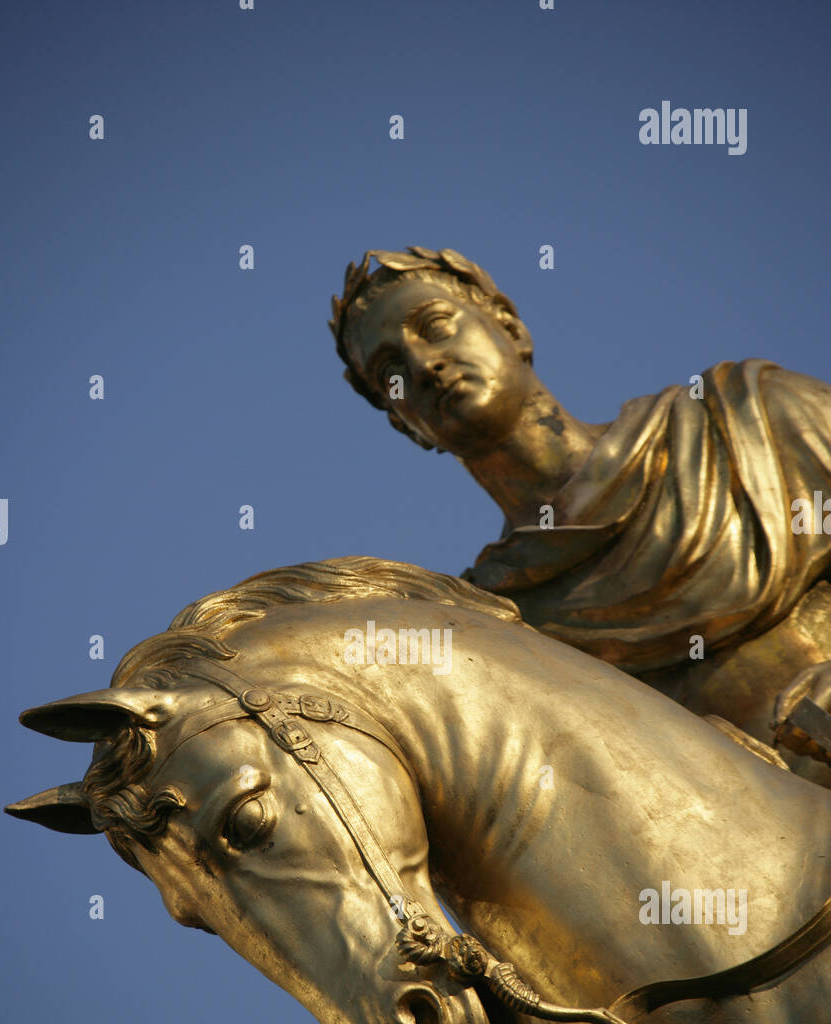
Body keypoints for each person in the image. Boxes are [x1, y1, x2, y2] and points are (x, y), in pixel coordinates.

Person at [330, 246, 831, 783]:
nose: (424, 366)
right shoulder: (502, 632)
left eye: (435, 326)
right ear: (406, 426)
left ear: (510, 328)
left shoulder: (748, 421)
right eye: (391, 374)